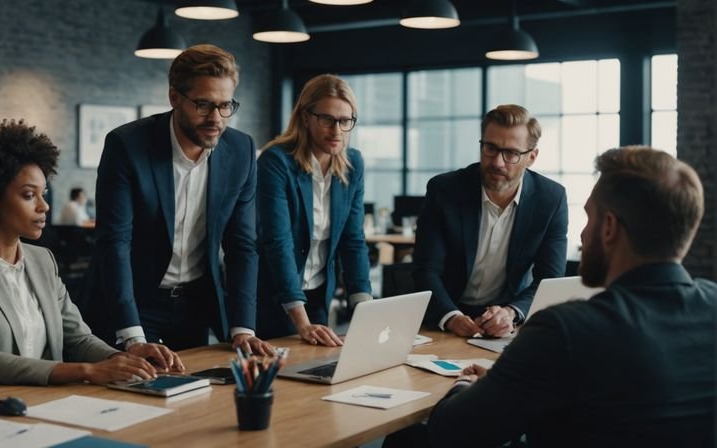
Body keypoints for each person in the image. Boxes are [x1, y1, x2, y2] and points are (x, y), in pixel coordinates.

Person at [426, 146, 716, 447]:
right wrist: (509, 385)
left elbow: (451, 431)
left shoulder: (566, 330)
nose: (582, 235)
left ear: (609, 228)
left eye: (589, 218)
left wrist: (466, 384)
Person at [0, 120, 182, 386]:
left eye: (43, 194)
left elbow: (78, 338)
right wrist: (86, 371)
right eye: (29, 195)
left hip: (49, 400)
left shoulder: (42, 261)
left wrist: (127, 359)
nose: (44, 207)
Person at [86, 44, 274, 355]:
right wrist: (133, 337)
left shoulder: (241, 151)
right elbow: (114, 241)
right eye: (203, 105)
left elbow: (242, 244)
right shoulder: (128, 146)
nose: (216, 118)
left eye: (225, 105)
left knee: (196, 396)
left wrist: (243, 328)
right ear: (175, 97)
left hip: (195, 304)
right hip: (131, 304)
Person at [413, 104, 568, 338]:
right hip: (444, 316)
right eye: (490, 148)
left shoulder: (551, 199)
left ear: (532, 157)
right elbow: (426, 270)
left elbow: (550, 280)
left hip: (506, 319)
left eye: (511, 153)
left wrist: (511, 313)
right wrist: (451, 317)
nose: (497, 162)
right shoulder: (444, 190)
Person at [255, 74, 372, 346]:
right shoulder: (276, 161)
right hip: (273, 298)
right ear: (306, 117)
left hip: (319, 296)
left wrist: (365, 308)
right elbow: (278, 241)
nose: (337, 131)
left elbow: (353, 240)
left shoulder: (352, 164)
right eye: (327, 119)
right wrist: (301, 322)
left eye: (345, 121)